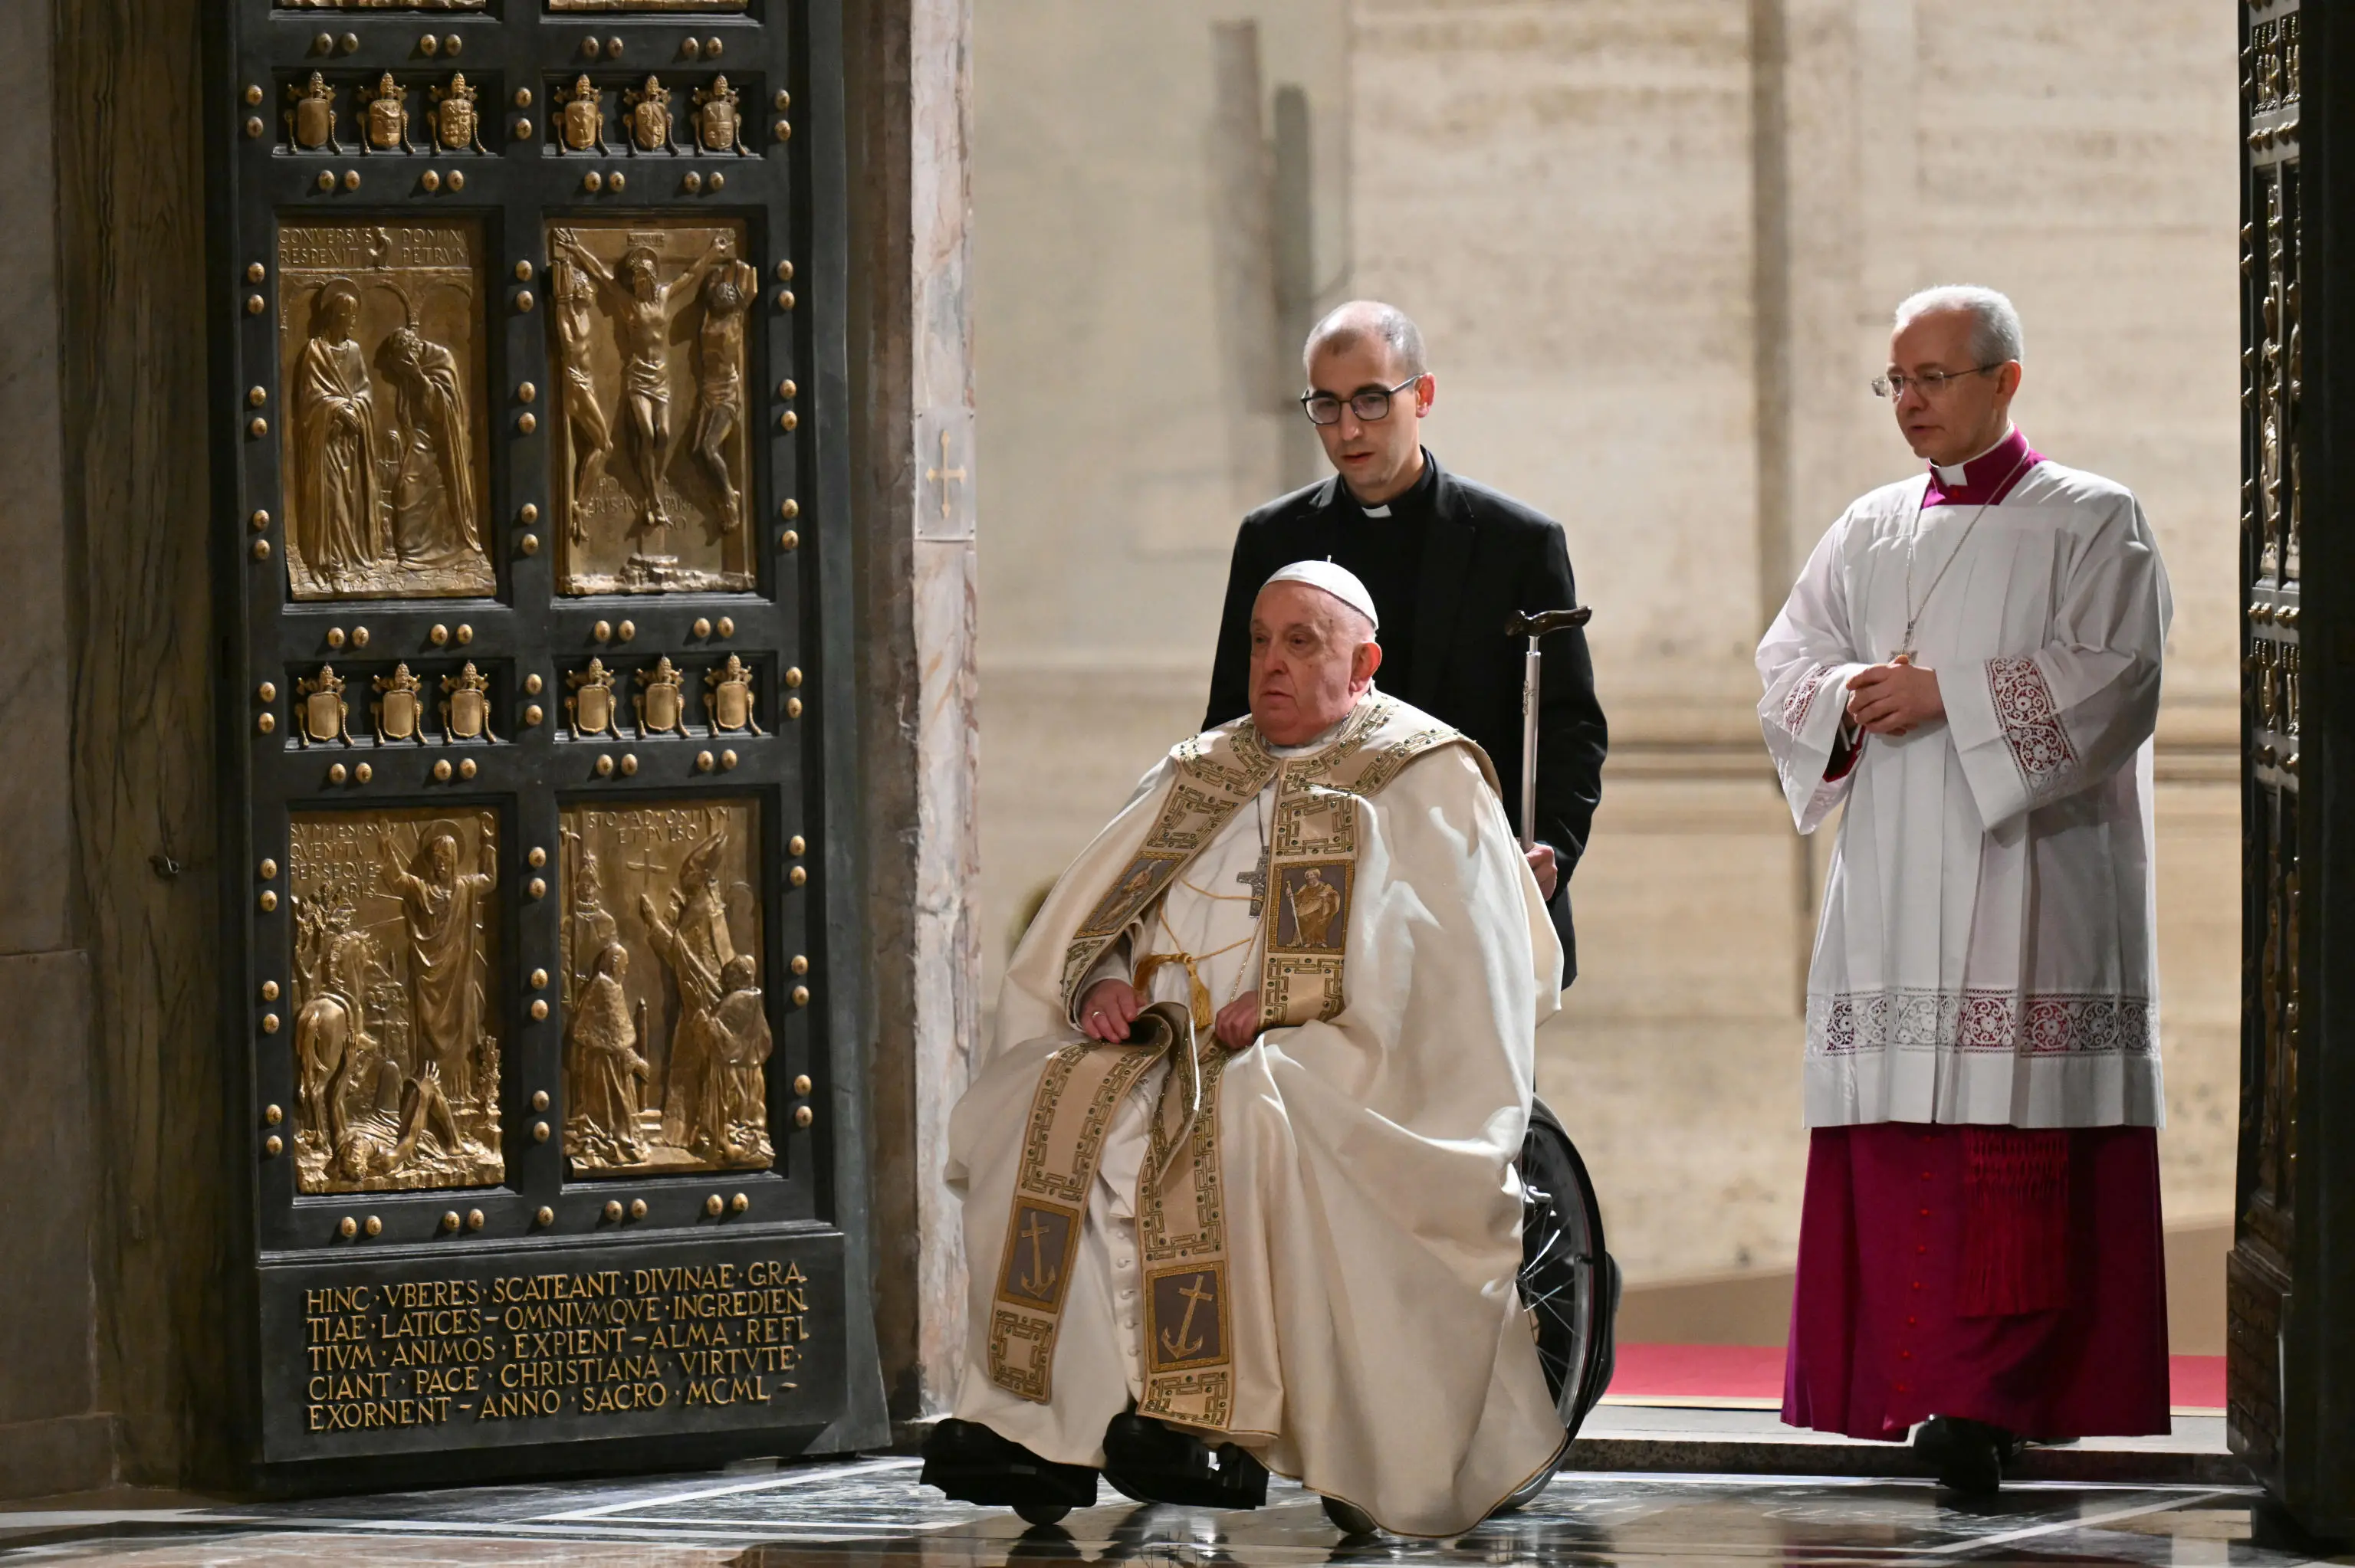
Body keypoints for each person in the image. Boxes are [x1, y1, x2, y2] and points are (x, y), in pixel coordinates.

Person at [925, 563, 1565, 1538]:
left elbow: (1449, 973)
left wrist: (1283, 1008)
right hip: (1157, 1044)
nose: (1270, 664)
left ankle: (1203, 1421)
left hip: (1336, 1057)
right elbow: (1105, 915)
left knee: (1238, 1117)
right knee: (1040, 1103)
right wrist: (1100, 977)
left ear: (1366, 663)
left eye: (1302, 643)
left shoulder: (1424, 776)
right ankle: (1032, 1424)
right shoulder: (1202, 768)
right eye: (1261, 641)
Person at [1757, 285, 2173, 1492]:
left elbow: (2119, 678)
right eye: (1897, 380)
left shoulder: (2095, 521)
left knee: (2011, 1154)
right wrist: (1842, 695)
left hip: (2032, 883)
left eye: (1936, 377)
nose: (1913, 402)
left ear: (2007, 381)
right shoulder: (1869, 525)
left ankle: (1994, 1401)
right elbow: (1786, 658)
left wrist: (1954, 697)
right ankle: (1902, 1387)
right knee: (1903, 1151)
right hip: (1894, 878)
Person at [1203, 300, 1606, 980]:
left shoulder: (1519, 543)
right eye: (1325, 406)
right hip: (1315, 899)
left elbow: (1570, 726)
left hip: (1472, 895)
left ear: (1422, 395)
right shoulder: (1274, 540)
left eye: (1370, 399)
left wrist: (1554, 852)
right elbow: (1231, 716)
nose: (1348, 428)